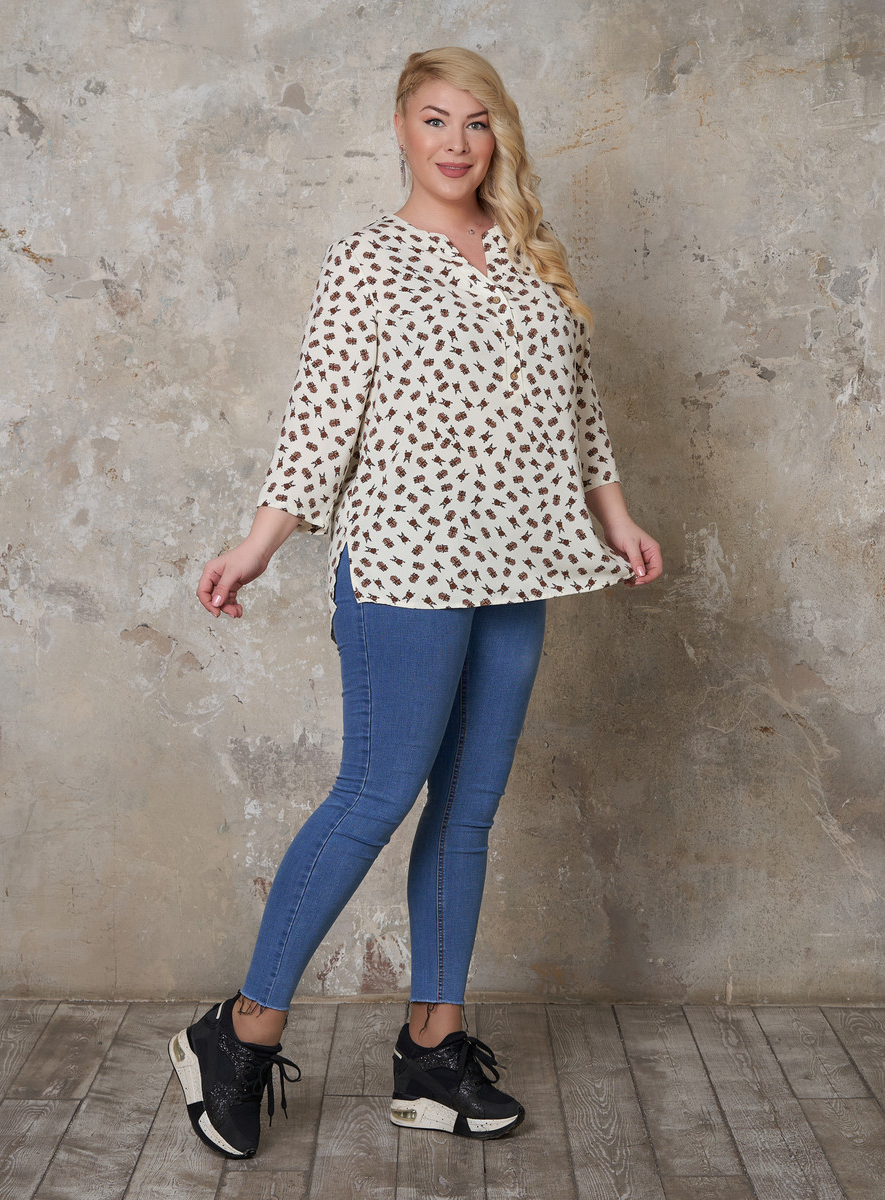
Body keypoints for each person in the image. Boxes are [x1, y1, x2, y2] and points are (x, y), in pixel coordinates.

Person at [169, 45, 662, 1161]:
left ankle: (433, 1053)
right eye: (435, 119)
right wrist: (256, 547)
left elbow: (580, 409)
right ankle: (238, 1033)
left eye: (477, 121)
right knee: (376, 792)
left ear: (499, 137)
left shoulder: (532, 253)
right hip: (404, 566)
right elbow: (321, 421)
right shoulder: (368, 260)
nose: (456, 141)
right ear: (400, 129)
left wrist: (618, 518)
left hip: (522, 562)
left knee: (469, 808)